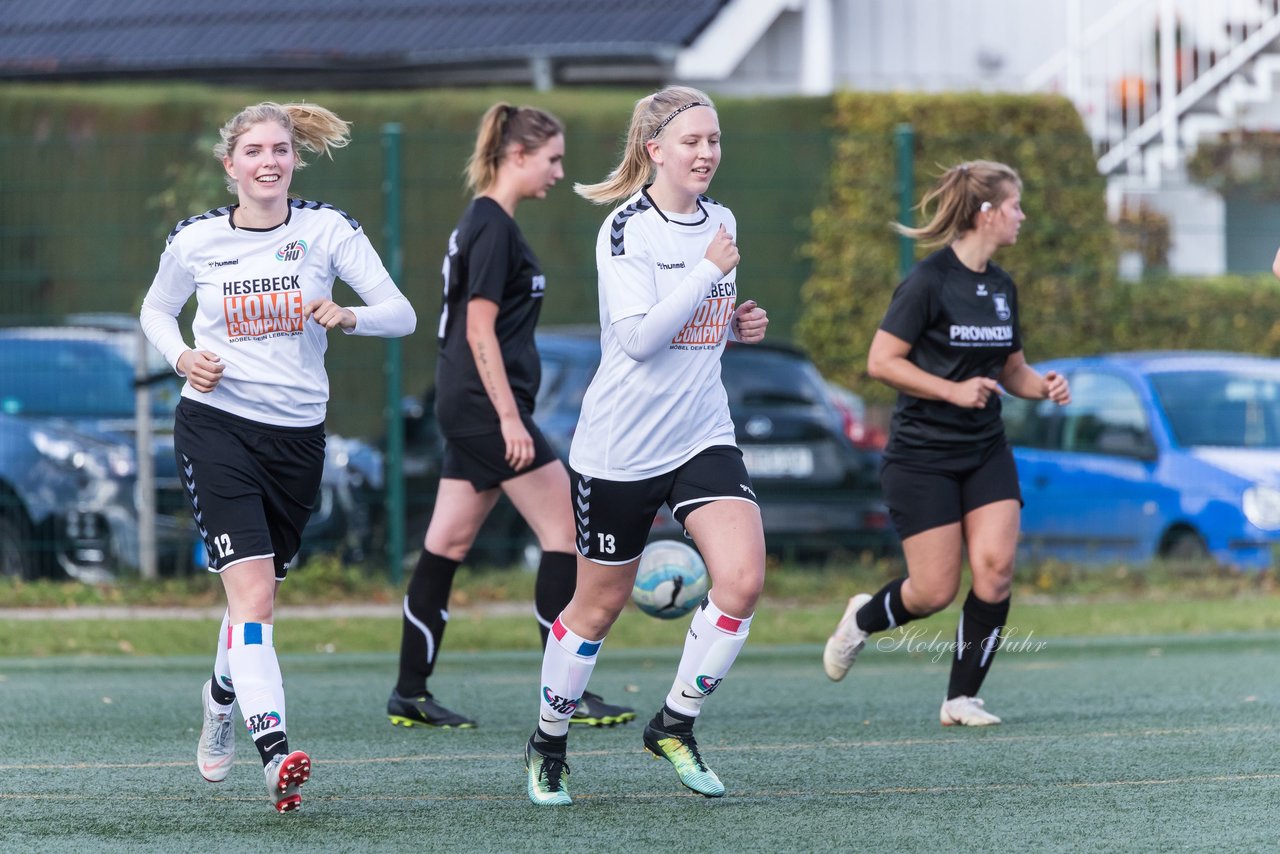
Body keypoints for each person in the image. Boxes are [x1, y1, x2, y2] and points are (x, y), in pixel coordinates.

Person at [140, 101, 416, 813]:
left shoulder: (327, 230)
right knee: (254, 600)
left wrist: (349, 314)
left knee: (255, 604)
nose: (269, 162)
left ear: (296, 159)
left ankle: (220, 696)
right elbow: (154, 311)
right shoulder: (197, 239)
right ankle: (274, 753)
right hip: (215, 429)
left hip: (297, 440)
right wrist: (181, 358)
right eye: (254, 151)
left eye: (281, 151)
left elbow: (403, 313)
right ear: (229, 164)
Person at [522, 86, 771, 807]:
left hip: (701, 436)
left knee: (744, 580)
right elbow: (637, 338)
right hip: (621, 447)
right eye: (691, 141)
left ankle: (674, 723)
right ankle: (548, 742)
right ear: (655, 150)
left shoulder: (720, 221)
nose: (706, 153)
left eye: (715, 140)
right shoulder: (626, 230)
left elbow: (697, 324)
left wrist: (736, 322)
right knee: (596, 608)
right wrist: (707, 275)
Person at [386, 103, 636, 732]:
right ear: (518, 156)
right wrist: (510, 418)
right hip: (484, 408)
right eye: (552, 158)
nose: (559, 171)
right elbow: (478, 327)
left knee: (446, 543)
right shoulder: (492, 225)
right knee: (567, 536)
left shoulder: (482, 221)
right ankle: (566, 691)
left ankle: (409, 692)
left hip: (464, 404)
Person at [822, 160, 1070, 726]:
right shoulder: (928, 281)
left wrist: (1043, 386)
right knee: (933, 591)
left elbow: (1013, 371)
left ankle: (961, 699)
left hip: (984, 450)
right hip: (921, 457)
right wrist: (952, 391)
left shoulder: (1003, 287)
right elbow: (881, 361)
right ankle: (862, 619)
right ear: (987, 213)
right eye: (1015, 206)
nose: (1021, 216)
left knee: (996, 569)